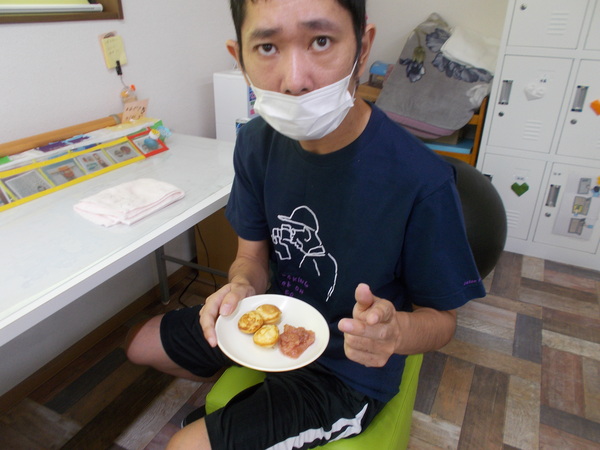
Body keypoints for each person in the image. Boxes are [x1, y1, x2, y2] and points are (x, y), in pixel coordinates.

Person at [125, 0, 486, 448]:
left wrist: (396, 332)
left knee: (184, 445)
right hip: (278, 322)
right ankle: (257, 404)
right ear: (240, 58)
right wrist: (240, 286)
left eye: (321, 41)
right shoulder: (255, 143)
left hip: (347, 370)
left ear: (363, 47)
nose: (295, 80)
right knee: (141, 343)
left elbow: (443, 321)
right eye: (267, 47)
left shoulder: (421, 179)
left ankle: (255, 417)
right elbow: (250, 257)